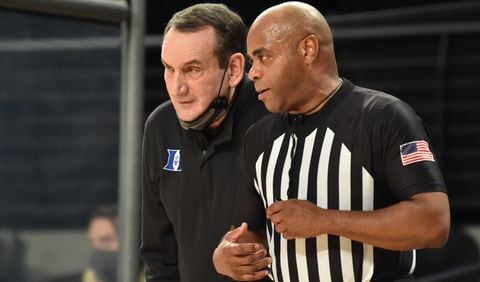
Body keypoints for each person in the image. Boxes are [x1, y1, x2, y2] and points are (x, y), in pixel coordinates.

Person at [213, 2, 451, 281]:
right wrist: (229, 253)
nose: (253, 73)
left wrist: (326, 220)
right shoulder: (258, 138)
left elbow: (434, 223)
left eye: (263, 57)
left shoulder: (383, 117)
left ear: (308, 49)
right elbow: (251, 230)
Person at [140, 3, 269, 282]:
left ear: (234, 69)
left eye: (192, 69)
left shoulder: (275, 122)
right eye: (169, 69)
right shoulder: (159, 127)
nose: (177, 88)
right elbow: (159, 255)